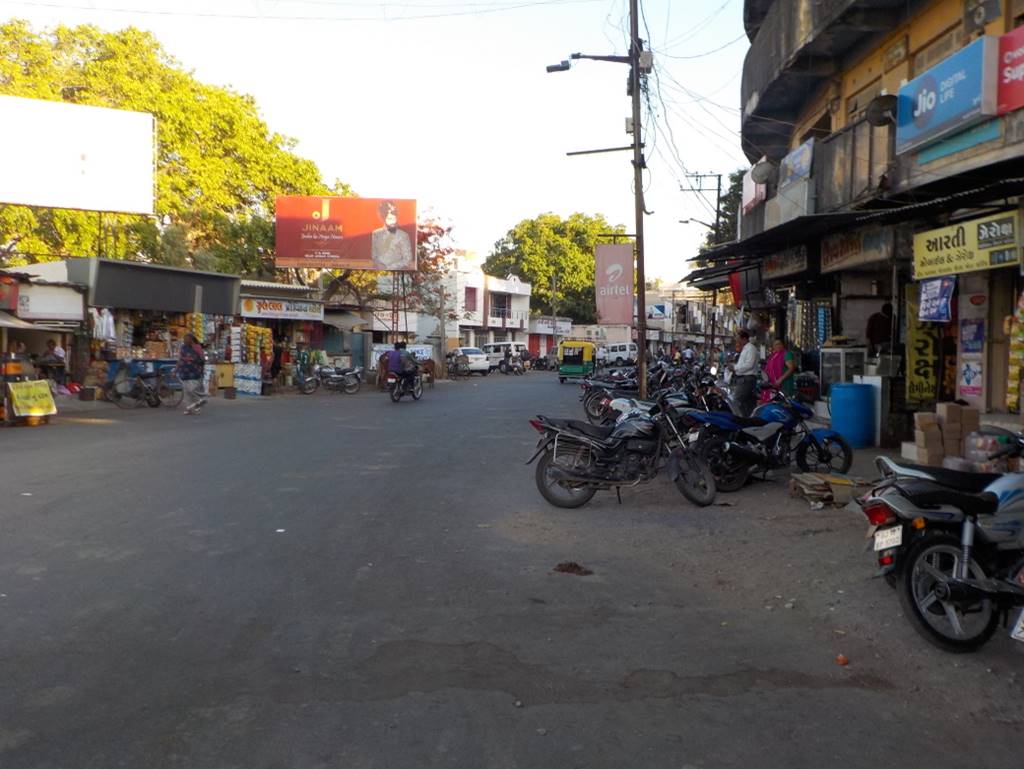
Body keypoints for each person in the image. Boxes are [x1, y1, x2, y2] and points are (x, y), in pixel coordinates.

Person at [370, 200, 414, 270]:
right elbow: (374, 255)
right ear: (383, 218)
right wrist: (378, 264)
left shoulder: (403, 235)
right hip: (378, 272)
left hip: (396, 271)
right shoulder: (376, 234)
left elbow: (407, 259)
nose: (393, 221)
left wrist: (388, 267)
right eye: (390, 218)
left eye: (394, 218)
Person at [732, 329, 760, 416]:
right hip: (744, 378)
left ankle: (740, 420)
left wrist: (735, 368)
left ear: (744, 339)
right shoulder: (745, 349)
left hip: (747, 379)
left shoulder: (750, 348)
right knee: (748, 403)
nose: (737, 341)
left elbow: (749, 365)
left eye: (738, 339)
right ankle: (748, 421)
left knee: (736, 400)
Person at [177, 333, 206, 415]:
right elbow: (180, 359)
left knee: (192, 390)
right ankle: (189, 408)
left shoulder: (197, 347)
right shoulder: (183, 348)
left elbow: (202, 359)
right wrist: (176, 370)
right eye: (184, 339)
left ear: (191, 339)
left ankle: (200, 401)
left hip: (194, 372)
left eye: (186, 339)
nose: (184, 341)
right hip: (184, 372)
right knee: (186, 391)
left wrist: (199, 366)